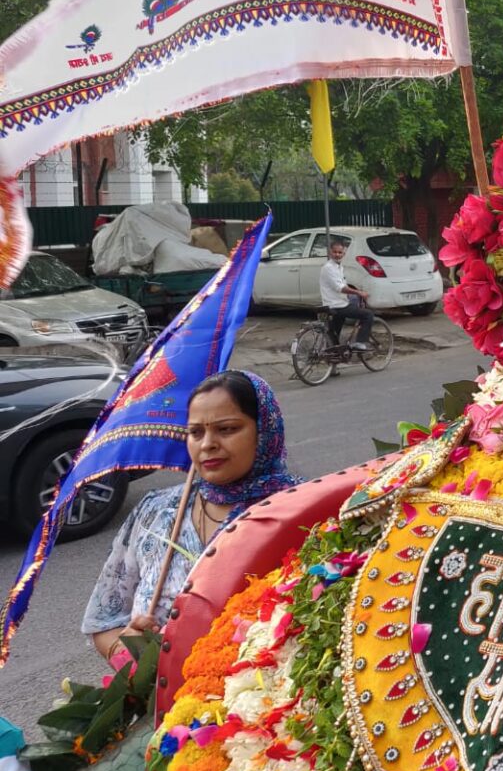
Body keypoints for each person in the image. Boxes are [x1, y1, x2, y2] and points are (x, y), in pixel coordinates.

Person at [81, 371, 299, 662]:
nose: (207, 444)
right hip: (162, 702)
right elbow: (104, 619)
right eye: (196, 432)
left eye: (227, 429)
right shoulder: (156, 512)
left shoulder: (299, 512)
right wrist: (126, 655)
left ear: (264, 431)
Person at [321, 239, 374, 350]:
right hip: (337, 305)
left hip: (336, 304)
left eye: (340, 252)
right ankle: (360, 342)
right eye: (335, 252)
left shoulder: (338, 267)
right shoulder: (329, 268)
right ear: (330, 252)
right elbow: (341, 288)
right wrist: (358, 292)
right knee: (368, 315)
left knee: (333, 336)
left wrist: (354, 294)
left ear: (344, 254)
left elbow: (343, 285)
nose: (337, 255)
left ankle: (332, 357)